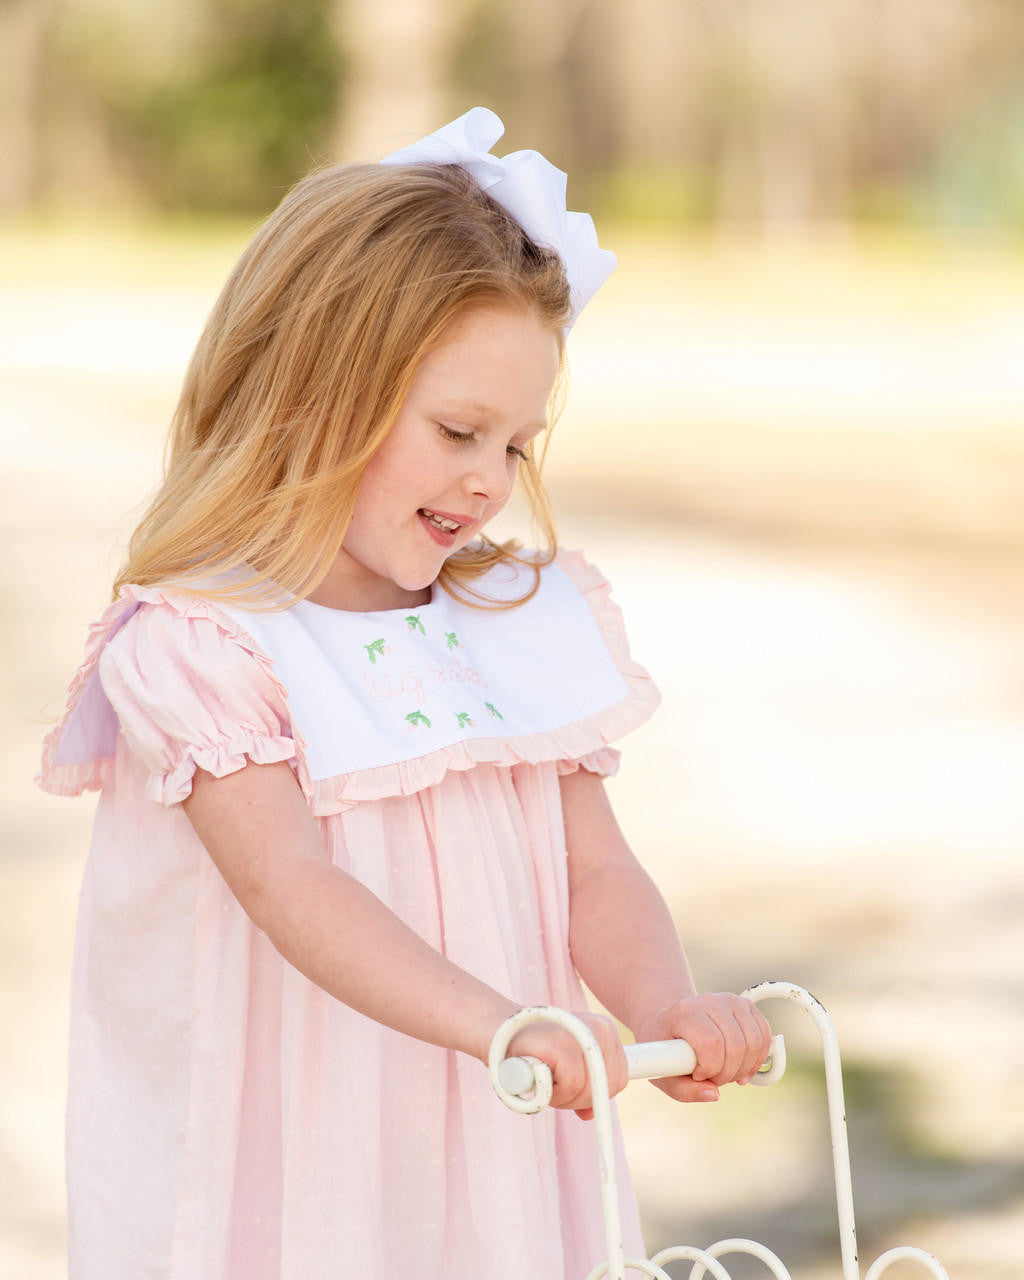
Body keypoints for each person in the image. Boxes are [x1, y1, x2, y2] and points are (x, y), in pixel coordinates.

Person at [38, 107, 771, 1280]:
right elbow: (290, 883)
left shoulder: (512, 622)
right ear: (315, 392)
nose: (488, 482)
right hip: (304, 1139)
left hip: (501, 1120)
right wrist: (500, 1019)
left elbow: (595, 866)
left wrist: (661, 1006)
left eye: (517, 446)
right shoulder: (208, 646)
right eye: (457, 431)